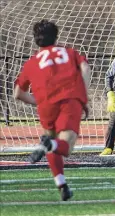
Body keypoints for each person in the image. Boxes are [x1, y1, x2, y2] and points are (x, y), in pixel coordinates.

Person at [14, 20, 91, 201]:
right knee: (65, 145)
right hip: (69, 99)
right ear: (56, 37)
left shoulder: (31, 62)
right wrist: (83, 96)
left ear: (36, 40)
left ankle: (62, 185)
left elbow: (18, 93)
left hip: (46, 106)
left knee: (52, 140)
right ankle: (48, 144)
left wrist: (39, 101)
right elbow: (85, 68)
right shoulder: (69, 52)